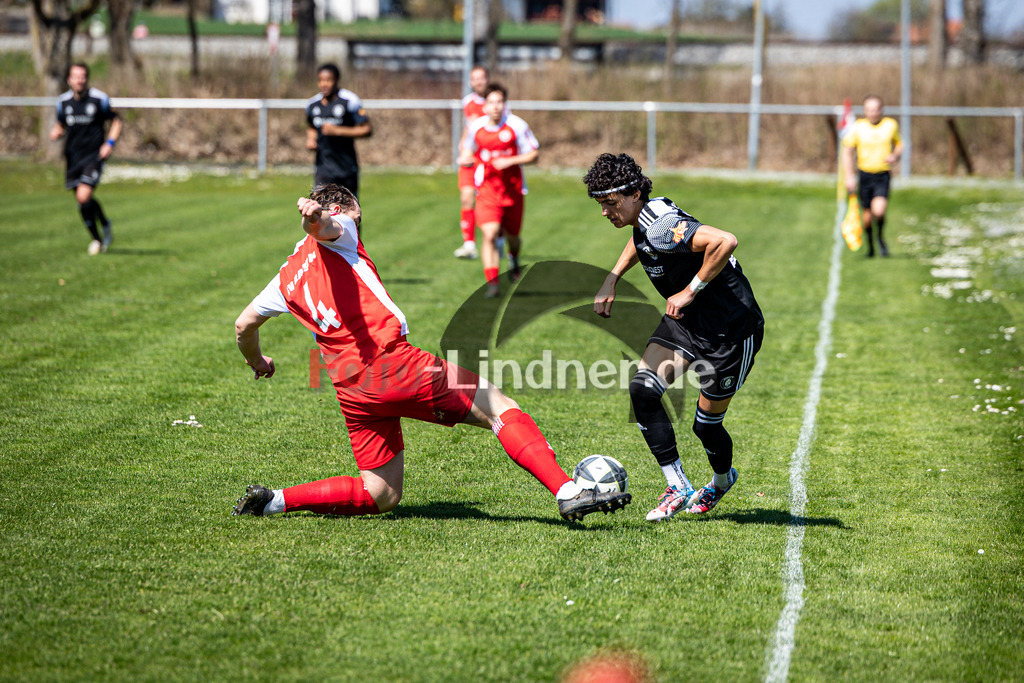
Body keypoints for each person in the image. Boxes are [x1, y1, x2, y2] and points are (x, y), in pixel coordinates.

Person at [231, 183, 630, 522]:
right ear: (339, 210)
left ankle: (273, 501)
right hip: (393, 364)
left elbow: (243, 326)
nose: (358, 224)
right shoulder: (341, 229)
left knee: (381, 493)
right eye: (357, 216)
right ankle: (567, 492)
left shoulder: (285, 277)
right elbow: (326, 227)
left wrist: (257, 361)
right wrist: (315, 218)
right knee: (497, 405)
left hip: (350, 388)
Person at [584, 153, 764, 521]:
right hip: (685, 322)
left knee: (706, 426)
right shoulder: (645, 218)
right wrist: (612, 278)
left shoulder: (662, 225)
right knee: (643, 390)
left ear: (635, 194)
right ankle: (678, 486)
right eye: (600, 203)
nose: (605, 212)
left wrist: (689, 291)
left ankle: (721, 481)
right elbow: (641, 239)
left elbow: (725, 241)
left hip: (730, 330)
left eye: (611, 203)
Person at [458, 83, 538, 298]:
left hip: (513, 192)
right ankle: (493, 284)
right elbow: (466, 149)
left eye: (499, 102)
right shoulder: (476, 127)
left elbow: (533, 154)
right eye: (491, 102)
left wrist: (510, 161)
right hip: (486, 192)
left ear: (505, 104)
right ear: (485, 105)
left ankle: (513, 257)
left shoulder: (516, 126)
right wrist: (465, 157)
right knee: (490, 234)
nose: (495, 106)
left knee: (514, 237)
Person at [49, 62, 122, 255]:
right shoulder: (63, 102)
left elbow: (116, 120)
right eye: (76, 77)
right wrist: (57, 131)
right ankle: (100, 232)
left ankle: (99, 237)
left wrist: (109, 143)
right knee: (83, 201)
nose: (79, 80)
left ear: (87, 78)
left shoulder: (99, 99)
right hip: (73, 157)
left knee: (83, 195)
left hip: (94, 156)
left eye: (82, 76)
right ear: (69, 80)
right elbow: (61, 123)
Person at [842, 95, 902, 257]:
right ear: (864, 111)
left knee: (879, 211)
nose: (873, 113)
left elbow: (899, 144)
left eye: (876, 109)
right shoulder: (858, 127)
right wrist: (849, 176)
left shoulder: (890, 125)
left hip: (882, 175)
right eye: (870, 109)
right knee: (867, 217)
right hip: (865, 176)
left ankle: (880, 237)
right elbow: (847, 151)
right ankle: (871, 246)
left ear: (881, 110)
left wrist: (895, 156)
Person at [305, 63, 372, 198]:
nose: (324, 84)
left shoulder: (349, 101)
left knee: (348, 208)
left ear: (336, 80)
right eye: (320, 80)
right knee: (321, 206)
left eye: (328, 80)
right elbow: (311, 126)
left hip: (346, 167)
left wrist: (338, 131)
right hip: (323, 167)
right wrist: (311, 139)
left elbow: (366, 129)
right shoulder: (312, 104)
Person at [453, 65, 490, 260]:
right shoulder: (468, 102)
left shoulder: (496, 101)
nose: (478, 82)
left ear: (487, 79)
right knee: (467, 197)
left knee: (489, 200)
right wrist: (464, 149)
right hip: (471, 158)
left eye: (481, 78)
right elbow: (470, 129)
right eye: (474, 78)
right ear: (470, 81)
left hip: (489, 159)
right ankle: (469, 244)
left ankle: (496, 239)